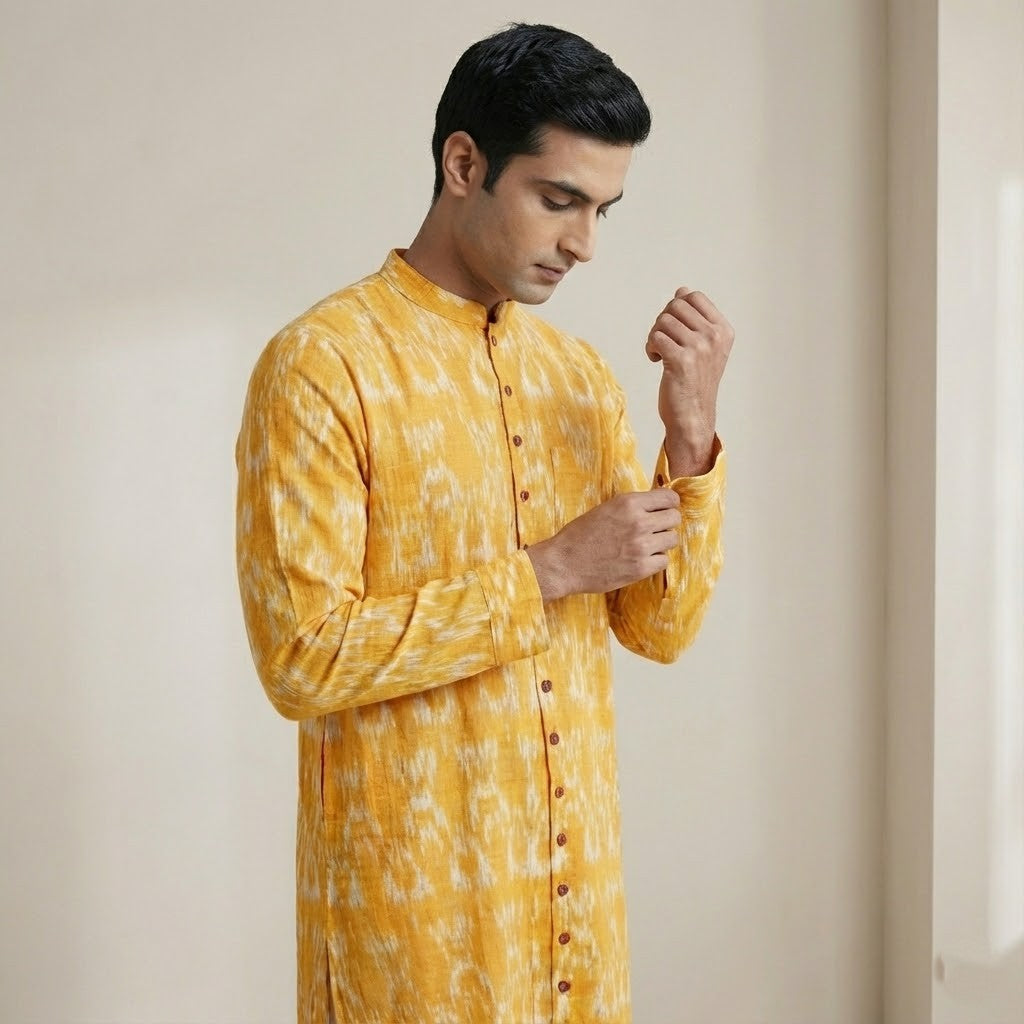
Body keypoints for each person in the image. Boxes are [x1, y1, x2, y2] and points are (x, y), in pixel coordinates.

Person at [235, 21, 733, 1024]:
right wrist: (543, 573)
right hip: (413, 936)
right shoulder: (325, 364)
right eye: (558, 200)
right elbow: (300, 658)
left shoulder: (578, 378)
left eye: (602, 210)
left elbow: (658, 627)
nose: (585, 244)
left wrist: (689, 439)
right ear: (464, 164)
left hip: (576, 924)